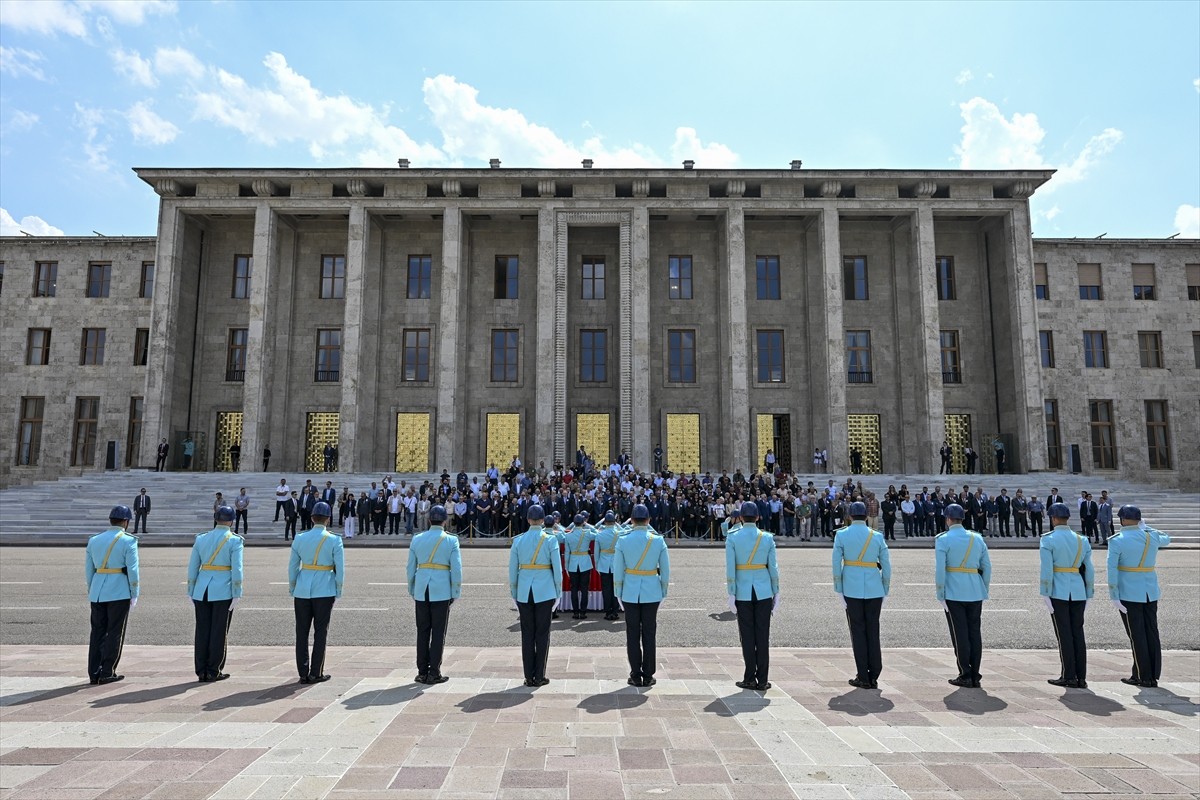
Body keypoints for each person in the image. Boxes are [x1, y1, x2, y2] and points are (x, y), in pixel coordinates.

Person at [1108, 505, 1170, 688]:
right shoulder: (1151, 537)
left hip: (1128, 592)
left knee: (1136, 635)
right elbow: (1167, 538)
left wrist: (1113, 594)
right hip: (1150, 591)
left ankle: (1143, 676)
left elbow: (1112, 569)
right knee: (1151, 632)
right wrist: (1147, 527)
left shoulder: (1117, 540)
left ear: (1123, 520)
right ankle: (1151, 674)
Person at [832, 501, 891, 689]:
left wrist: (838, 589)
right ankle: (874, 673)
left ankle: (862, 675)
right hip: (874, 588)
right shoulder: (877, 536)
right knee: (873, 630)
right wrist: (885, 589)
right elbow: (886, 566)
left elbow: (836, 565)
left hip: (851, 588)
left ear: (849, 516)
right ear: (866, 516)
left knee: (857, 631)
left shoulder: (841, 535)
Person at [613, 503, 670, 687]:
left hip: (629, 590)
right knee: (649, 633)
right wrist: (663, 591)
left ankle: (635, 673)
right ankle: (648, 673)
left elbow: (618, 570)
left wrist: (618, 593)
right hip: (652, 590)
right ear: (648, 520)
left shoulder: (623, 540)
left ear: (632, 520)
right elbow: (666, 571)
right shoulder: (658, 540)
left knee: (632, 634)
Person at [935, 504, 991, 688]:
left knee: (959, 633)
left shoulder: (943, 540)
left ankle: (965, 673)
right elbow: (987, 567)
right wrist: (983, 587)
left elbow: (940, 570)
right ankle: (975, 672)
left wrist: (940, 592)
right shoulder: (977, 538)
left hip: (953, 591)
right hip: (975, 589)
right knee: (975, 632)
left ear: (948, 519)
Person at [726, 501, 779, 691]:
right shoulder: (766, 538)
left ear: (740, 517)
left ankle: (749, 677)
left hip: (742, 590)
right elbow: (773, 568)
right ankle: (763, 679)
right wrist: (776, 591)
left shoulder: (733, 538)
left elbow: (730, 568)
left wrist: (731, 593)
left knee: (747, 636)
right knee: (762, 635)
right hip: (764, 590)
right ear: (758, 517)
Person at [1039, 503, 1094, 689]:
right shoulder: (1081, 540)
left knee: (1064, 635)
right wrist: (1089, 592)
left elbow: (1047, 570)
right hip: (1078, 590)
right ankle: (1081, 677)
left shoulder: (1048, 540)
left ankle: (1068, 675)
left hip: (1058, 591)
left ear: (1053, 518)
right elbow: (1089, 569)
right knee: (1078, 633)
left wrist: (1045, 593)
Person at [406, 504, 462, 684]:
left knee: (422, 631)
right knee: (438, 632)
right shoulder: (451, 540)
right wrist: (455, 591)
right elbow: (457, 569)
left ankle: (422, 671)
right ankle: (434, 672)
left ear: (429, 520)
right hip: (441, 589)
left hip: (422, 588)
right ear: (445, 521)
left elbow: (410, 567)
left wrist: (412, 588)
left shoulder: (417, 538)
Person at [187, 505, 243, 682]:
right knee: (219, 631)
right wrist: (237, 592)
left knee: (202, 630)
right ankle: (213, 670)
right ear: (232, 521)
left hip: (201, 589)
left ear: (215, 519)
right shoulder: (234, 540)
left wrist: (191, 590)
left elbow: (193, 567)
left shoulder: (201, 538)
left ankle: (201, 670)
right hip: (223, 589)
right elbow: (237, 569)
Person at [289, 502, 343, 684]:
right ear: (328, 519)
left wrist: (293, 586)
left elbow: (293, 567)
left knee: (301, 632)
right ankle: (316, 672)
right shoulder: (334, 540)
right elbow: (340, 569)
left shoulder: (300, 538)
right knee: (320, 632)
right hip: (324, 589)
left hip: (303, 588)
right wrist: (338, 589)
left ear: (312, 518)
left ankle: (303, 673)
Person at [509, 505, 562, 687]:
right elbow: (557, 569)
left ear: (528, 520)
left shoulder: (518, 541)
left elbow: (512, 571)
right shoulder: (550, 540)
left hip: (524, 590)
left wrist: (514, 593)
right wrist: (558, 592)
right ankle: (539, 675)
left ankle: (528, 676)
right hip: (545, 590)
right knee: (542, 634)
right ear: (542, 520)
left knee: (527, 634)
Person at [85, 505, 140, 684]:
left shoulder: (94, 540)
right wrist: (134, 592)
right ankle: (108, 670)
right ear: (126, 522)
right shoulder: (128, 541)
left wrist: (92, 588)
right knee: (115, 631)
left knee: (97, 632)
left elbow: (89, 570)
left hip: (98, 590)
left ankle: (94, 672)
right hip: (119, 590)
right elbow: (132, 570)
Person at [565, 513, 597, 619]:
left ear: (574, 523)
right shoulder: (587, 533)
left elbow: (567, 553)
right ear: (583, 522)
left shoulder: (568, 535)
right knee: (584, 588)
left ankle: (575, 612)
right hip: (585, 563)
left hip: (573, 563)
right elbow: (597, 533)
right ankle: (583, 612)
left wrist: (566, 567)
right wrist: (587, 525)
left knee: (574, 588)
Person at [593, 511, 624, 620]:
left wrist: (597, 565)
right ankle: (615, 611)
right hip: (616, 564)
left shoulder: (600, 534)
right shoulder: (619, 533)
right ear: (615, 522)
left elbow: (596, 553)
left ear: (605, 522)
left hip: (603, 564)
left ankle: (607, 611)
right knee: (616, 588)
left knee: (606, 589)